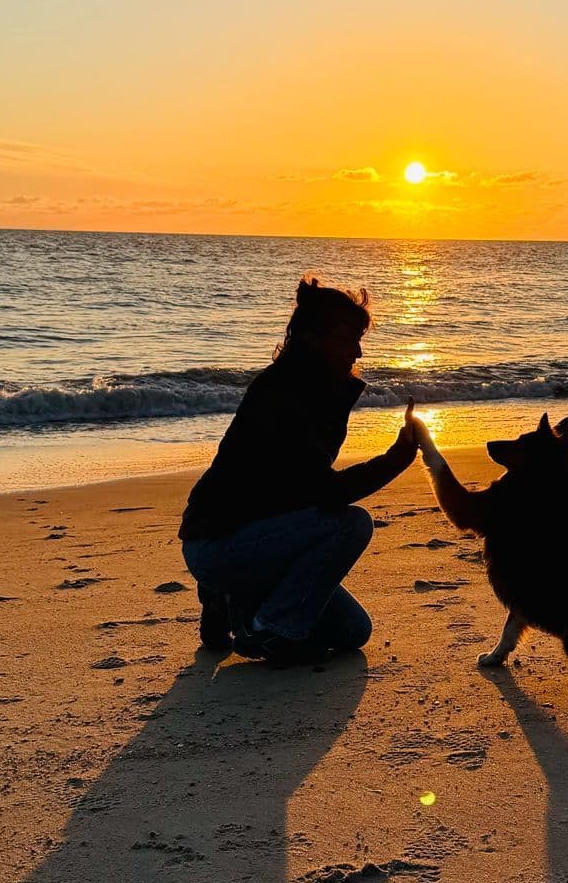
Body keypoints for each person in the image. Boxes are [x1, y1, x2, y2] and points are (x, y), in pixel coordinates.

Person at [178, 276, 418, 665]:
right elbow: (326, 493)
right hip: (218, 544)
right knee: (351, 525)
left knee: (353, 631)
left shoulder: (320, 391)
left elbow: (304, 495)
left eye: (359, 340)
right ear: (312, 340)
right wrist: (397, 459)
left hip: (262, 538)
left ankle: (232, 602)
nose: (357, 352)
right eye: (347, 340)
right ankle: (268, 630)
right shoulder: (282, 393)